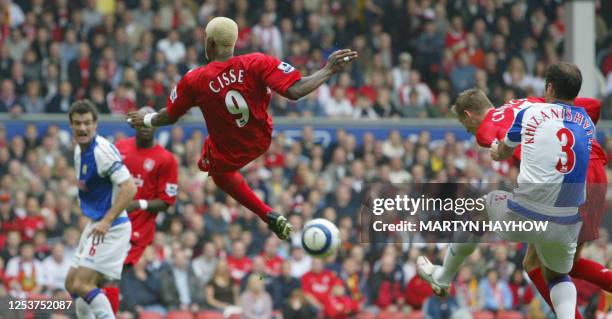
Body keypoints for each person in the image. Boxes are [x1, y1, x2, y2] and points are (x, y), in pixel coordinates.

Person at [127, 16, 358, 240]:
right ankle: (268, 214)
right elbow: (295, 90)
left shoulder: (194, 79)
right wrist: (328, 70)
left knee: (217, 173)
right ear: (234, 42)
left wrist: (147, 120)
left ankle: (266, 214)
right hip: (261, 138)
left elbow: (170, 116)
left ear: (209, 43)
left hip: (228, 151)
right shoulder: (257, 61)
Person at [417, 62, 595, 319]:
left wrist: (497, 150)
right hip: (568, 221)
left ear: (549, 87)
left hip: (526, 213)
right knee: (557, 275)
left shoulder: (532, 113)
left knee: (480, 207)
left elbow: (502, 151)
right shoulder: (587, 124)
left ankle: (443, 276)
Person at [63, 100, 137, 319]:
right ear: (71, 126)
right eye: (77, 123)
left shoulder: (101, 151)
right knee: (71, 283)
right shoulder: (79, 150)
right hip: (97, 223)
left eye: (87, 123)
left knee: (82, 283)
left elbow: (129, 187)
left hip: (111, 226)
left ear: (95, 125)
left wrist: (107, 220)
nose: (82, 128)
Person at [103, 106, 179, 313]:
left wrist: (138, 204)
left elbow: (167, 201)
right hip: (112, 222)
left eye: (150, 121)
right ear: (134, 123)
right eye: (141, 121)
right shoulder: (120, 148)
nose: (145, 126)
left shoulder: (166, 159)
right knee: (93, 278)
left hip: (138, 230)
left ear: (157, 124)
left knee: (110, 277)